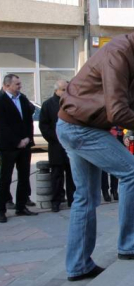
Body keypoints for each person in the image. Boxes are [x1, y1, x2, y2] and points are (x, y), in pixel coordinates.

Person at [56, 14, 134, 281]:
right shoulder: (118, 54)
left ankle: (78, 266)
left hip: (76, 126)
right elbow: (118, 113)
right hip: (81, 129)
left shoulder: (131, 56)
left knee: (85, 198)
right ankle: (131, 245)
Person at [0, 74, 37, 223]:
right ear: (7, 85)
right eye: (17, 84)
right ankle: (1, 210)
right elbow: (2, 126)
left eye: (20, 83)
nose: (20, 86)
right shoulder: (1, 100)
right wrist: (17, 141)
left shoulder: (22, 99)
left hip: (25, 145)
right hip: (8, 147)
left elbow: (28, 120)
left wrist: (28, 138)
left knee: (24, 176)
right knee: (5, 178)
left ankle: (21, 206)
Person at [39, 80, 75, 213]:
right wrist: (57, 138)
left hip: (71, 146)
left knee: (72, 174)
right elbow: (44, 126)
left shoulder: (72, 102)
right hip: (56, 146)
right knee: (57, 175)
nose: (66, 92)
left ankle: (73, 200)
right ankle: (56, 201)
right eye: (64, 89)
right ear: (57, 91)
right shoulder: (48, 104)